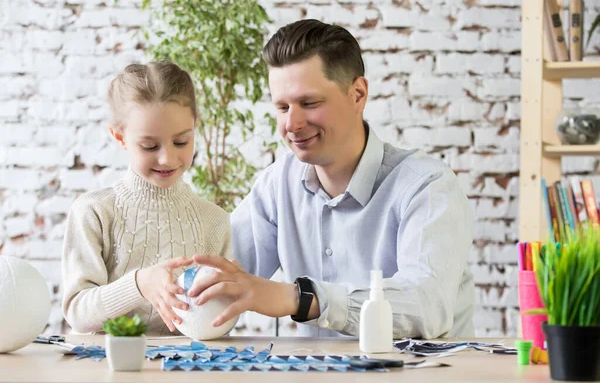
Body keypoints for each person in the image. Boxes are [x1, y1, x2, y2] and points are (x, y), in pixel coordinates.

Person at [188, 19, 474, 339]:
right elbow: (217, 279)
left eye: (309, 103)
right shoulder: (276, 185)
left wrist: (300, 298)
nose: (292, 124)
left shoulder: (427, 187)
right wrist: (151, 281)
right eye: (282, 107)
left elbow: (427, 304)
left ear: (357, 94)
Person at [61, 61, 231, 335]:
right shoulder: (94, 212)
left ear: (194, 128)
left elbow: (219, 321)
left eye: (181, 142)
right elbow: (77, 312)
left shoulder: (215, 222)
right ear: (120, 137)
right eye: (149, 146)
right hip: (108, 370)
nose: (167, 158)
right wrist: (139, 284)